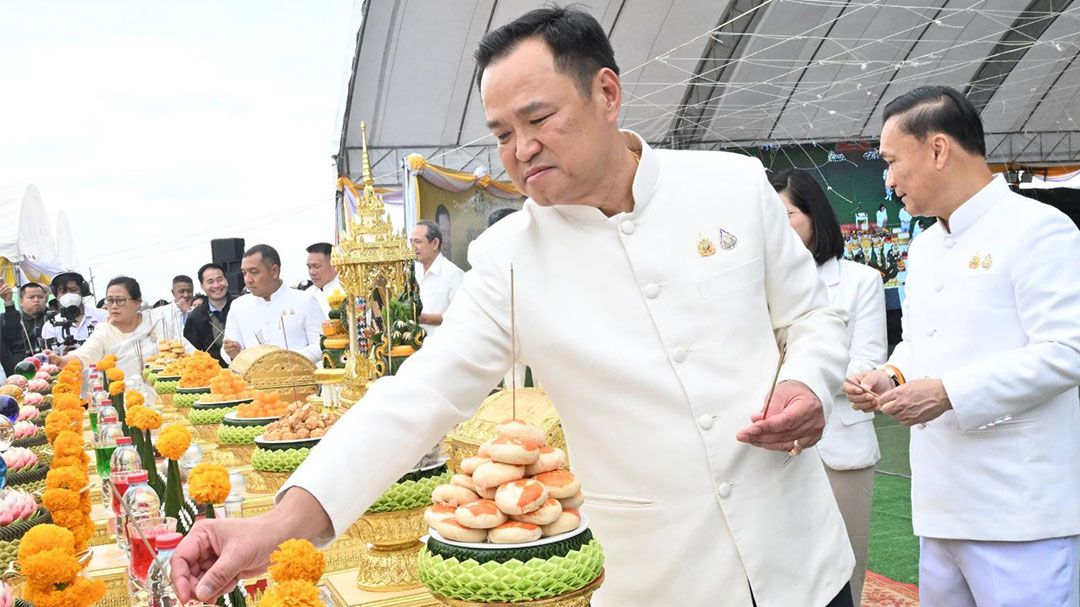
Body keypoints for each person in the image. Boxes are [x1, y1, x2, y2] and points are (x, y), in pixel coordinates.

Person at [172, 8, 853, 607]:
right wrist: (274, 525)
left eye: (539, 118)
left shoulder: (730, 185)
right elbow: (415, 400)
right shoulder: (508, 258)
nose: (520, 150)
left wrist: (806, 381)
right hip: (657, 579)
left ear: (607, 94)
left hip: (803, 559)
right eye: (501, 132)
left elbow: (812, 317)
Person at [844, 86, 1080, 606]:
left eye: (890, 161)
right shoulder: (926, 247)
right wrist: (894, 376)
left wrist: (950, 392)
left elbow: (1067, 351)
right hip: (940, 506)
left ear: (937, 150)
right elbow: (921, 341)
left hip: (1018, 512)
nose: (887, 179)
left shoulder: (1039, 230)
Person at [772, 169, 886, 604]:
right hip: (774, 451)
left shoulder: (861, 281)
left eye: (789, 215)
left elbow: (866, 364)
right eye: (771, 216)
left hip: (840, 450)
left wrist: (800, 373)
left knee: (845, 575)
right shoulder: (755, 285)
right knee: (780, 575)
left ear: (814, 216)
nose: (779, 227)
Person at [46, 276, 193, 396]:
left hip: (168, 397)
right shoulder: (104, 331)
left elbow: (186, 350)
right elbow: (85, 354)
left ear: (137, 302)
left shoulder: (156, 320)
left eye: (120, 300)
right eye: (109, 300)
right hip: (126, 400)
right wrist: (60, 360)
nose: (114, 306)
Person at [220, 245, 324, 365]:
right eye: (244, 273)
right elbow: (227, 349)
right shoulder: (239, 305)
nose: (248, 280)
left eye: (254, 272)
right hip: (253, 380)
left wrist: (284, 360)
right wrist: (234, 353)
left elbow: (320, 344)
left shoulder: (305, 300)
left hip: (297, 378)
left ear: (274, 271)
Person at [409, 220, 464, 336]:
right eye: (411, 242)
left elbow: (461, 317)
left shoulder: (453, 274)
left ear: (434, 243)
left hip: (441, 346)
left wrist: (422, 318)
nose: (413, 247)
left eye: (418, 242)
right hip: (413, 346)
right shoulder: (413, 271)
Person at [41, 272, 107, 356]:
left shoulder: (102, 316)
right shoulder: (50, 326)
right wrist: (63, 358)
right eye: (63, 291)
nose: (69, 295)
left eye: (73, 290)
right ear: (57, 296)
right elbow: (50, 358)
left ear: (82, 291)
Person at [184, 263, 234, 366]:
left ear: (226, 280)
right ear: (202, 286)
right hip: (212, 375)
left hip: (247, 371)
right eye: (210, 282)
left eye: (220, 279)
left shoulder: (242, 306)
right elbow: (192, 353)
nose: (216, 285)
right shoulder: (194, 317)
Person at [1, 282, 48, 373]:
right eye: (31, 297)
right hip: (22, 370)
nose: (36, 300)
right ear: (21, 301)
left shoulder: (53, 318)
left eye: (40, 297)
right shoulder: (11, 319)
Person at [151, 275, 194, 339]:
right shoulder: (160, 312)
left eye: (189, 291)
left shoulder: (198, 312)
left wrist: (189, 311)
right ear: (173, 292)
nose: (186, 295)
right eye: (181, 291)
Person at [303, 242, 341, 316]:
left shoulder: (346, 291)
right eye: (309, 267)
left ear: (334, 265)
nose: (311, 272)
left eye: (316, 266)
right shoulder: (307, 294)